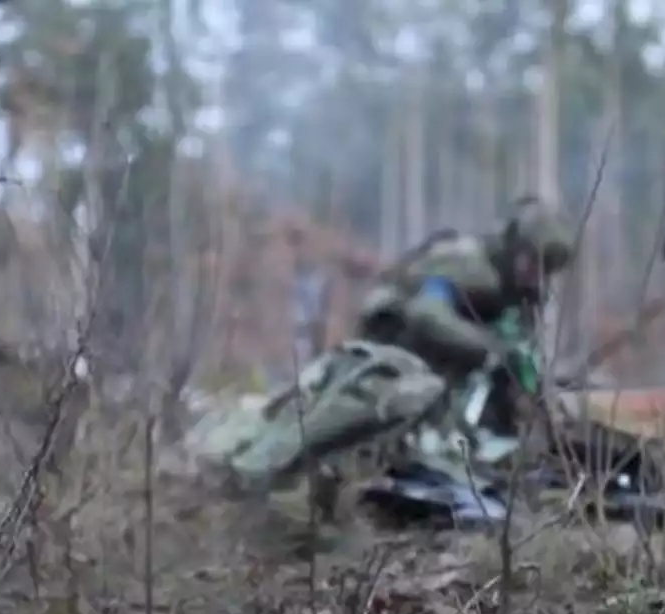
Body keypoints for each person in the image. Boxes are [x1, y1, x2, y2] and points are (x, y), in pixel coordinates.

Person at [190, 196, 573, 511]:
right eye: (531, 262)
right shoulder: (465, 265)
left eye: (545, 269)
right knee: (314, 426)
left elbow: (522, 357)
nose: (534, 276)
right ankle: (250, 469)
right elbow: (427, 314)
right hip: (387, 370)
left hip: (443, 397)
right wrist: (490, 348)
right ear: (515, 247)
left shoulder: (517, 296)